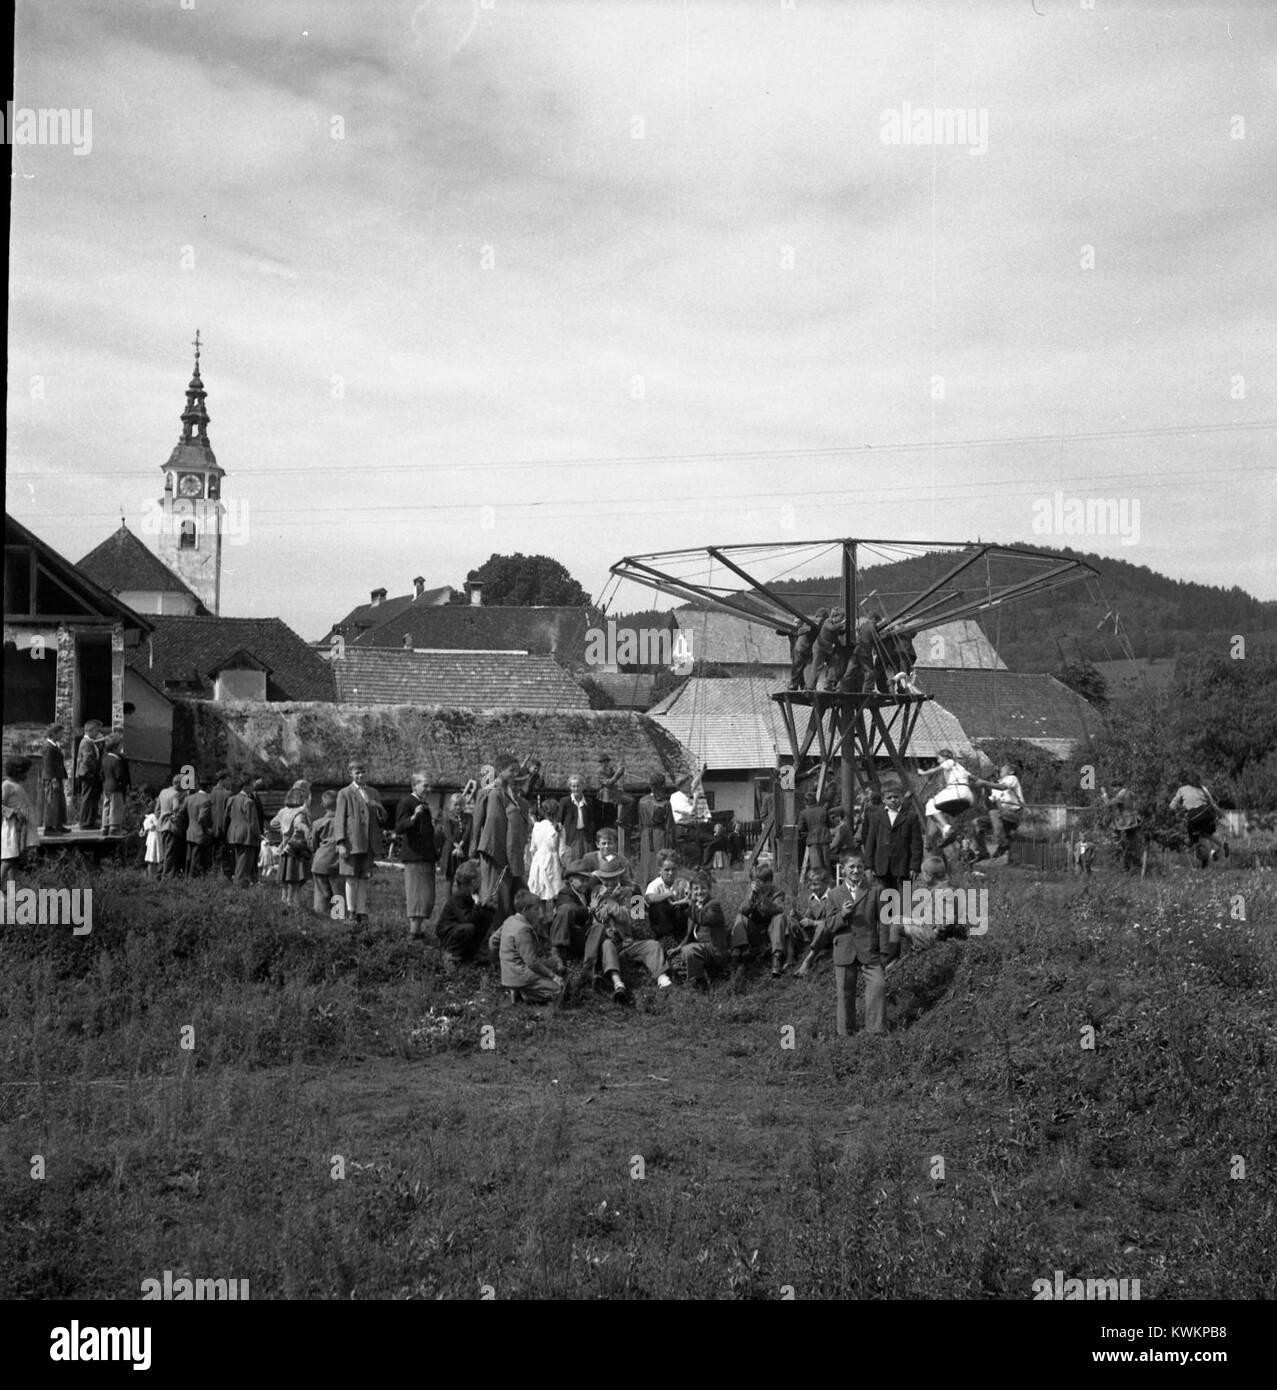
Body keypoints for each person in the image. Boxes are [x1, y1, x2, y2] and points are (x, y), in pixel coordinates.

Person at [797, 853, 892, 1037]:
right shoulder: (834, 894)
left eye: (859, 867)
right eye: (852, 867)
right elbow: (829, 924)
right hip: (844, 949)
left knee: (878, 986)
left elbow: (884, 923)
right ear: (843, 870)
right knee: (845, 993)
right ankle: (846, 1033)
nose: (856, 871)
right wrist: (842, 915)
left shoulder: (875, 890)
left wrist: (884, 950)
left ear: (864, 868)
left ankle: (875, 1030)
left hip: (868, 948)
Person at [583, 855, 673, 1002]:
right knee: (607, 945)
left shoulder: (632, 891)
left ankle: (662, 977)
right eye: (605, 879)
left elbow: (635, 918)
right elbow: (598, 918)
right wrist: (595, 909)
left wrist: (612, 904)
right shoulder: (596, 891)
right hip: (607, 942)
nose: (609, 883)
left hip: (627, 940)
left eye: (613, 878)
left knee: (653, 945)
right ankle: (618, 984)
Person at [475, 756, 529, 920]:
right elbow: (494, 826)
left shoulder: (510, 794)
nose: (515, 774)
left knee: (511, 898)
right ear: (500, 771)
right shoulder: (494, 794)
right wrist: (502, 859)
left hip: (510, 855)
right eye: (511, 770)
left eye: (516, 771)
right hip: (497, 855)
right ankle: (493, 935)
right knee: (496, 897)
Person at [488, 889, 564, 1004]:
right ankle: (525, 994)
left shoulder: (510, 920)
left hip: (508, 974)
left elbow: (492, 942)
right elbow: (532, 962)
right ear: (525, 910)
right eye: (536, 909)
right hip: (522, 976)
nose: (540, 913)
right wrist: (553, 976)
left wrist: (502, 963)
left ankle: (516, 989)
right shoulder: (523, 929)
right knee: (559, 990)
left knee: (549, 967)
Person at [334, 762, 384, 924]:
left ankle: (362, 911)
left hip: (368, 842)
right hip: (351, 842)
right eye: (357, 773)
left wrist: (377, 807)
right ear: (351, 774)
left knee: (364, 877)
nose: (360, 775)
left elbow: (383, 819)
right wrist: (340, 842)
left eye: (363, 772)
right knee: (351, 877)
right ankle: (350, 911)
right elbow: (339, 819)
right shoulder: (345, 793)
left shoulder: (374, 793)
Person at [861, 782, 924, 899]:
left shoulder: (910, 816)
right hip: (881, 865)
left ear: (901, 797)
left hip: (902, 865)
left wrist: (914, 866)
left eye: (896, 797)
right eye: (889, 798)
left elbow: (916, 843)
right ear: (883, 799)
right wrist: (868, 865)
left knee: (903, 899)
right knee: (884, 899)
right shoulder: (877, 816)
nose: (893, 800)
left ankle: (903, 916)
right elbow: (870, 841)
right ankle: (886, 917)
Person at [729, 861, 793, 975]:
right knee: (740, 917)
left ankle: (777, 957)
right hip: (756, 929)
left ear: (768, 882)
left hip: (771, 930)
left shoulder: (778, 893)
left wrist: (763, 899)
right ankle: (738, 953)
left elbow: (778, 909)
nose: (756, 884)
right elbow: (742, 909)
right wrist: (751, 897)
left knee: (779, 918)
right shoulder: (752, 893)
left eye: (759, 881)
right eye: (754, 881)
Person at [396, 771, 438, 939]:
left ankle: (419, 930)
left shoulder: (424, 805)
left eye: (430, 785)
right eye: (425, 785)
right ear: (414, 786)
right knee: (417, 894)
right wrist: (414, 817)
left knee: (427, 895)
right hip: (414, 856)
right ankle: (413, 932)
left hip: (426, 856)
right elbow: (399, 827)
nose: (429, 788)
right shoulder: (407, 802)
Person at [435, 860, 493, 972]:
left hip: (457, 928)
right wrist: (477, 904)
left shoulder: (471, 894)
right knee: (468, 928)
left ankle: (471, 952)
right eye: (480, 877)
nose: (482, 880)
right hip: (448, 931)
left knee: (487, 915)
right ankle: (451, 955)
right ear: (473, 881)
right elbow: (468, 918)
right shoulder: (459, 896)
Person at [675, 872, 729, 990]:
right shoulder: (696, 905)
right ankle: (701, 976)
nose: (699, 891)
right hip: (702, 947)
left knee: (689, 951)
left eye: (703, 888)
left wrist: (690, 904)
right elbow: (689, 933)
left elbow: (703, 919)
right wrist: (678, 947)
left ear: (709, 889)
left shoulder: (714, 905)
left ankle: (700, 983)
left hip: (714, 948)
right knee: (676, 960)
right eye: (696, 889)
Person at [919, 749, 975, 849]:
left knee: (930, 804)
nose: (937, 760)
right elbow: (974, 778)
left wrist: (923, 772)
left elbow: (935, 770)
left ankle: (946, 827)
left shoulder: (949, 761)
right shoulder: (960, 767)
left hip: (957, 791)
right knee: (931, 812)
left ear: (944, 757)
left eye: (939, 758)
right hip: (968, 795)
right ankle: (946, 833)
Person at [1170, 776, 1227, 866]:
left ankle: (1206, 857)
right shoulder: (1202, 789)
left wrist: (1172, 812)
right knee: (1205, 834)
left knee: (1193, 841)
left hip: (1194, 816)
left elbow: (1172, 806)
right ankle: (1218, 846)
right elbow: (1212, 803)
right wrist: (1219, 814)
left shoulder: (1182, 789)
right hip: (1207, 814)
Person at [273, 779, 313, 908]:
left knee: (285, 876)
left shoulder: (283, 811)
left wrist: (285, 832)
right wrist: (306, 832)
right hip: (297, 848)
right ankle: (293, 901)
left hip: (286, 848)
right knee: (295, 877)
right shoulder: (300, 811)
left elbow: (273, 823)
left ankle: (284, 899)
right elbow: (299, 824)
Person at [973, 764, 1025, 857]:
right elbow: (989, 806)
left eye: (1003, 768)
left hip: (1014, 813)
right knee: (976, 822)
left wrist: (985, 783)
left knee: (994, 812)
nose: (1000, 769)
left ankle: (1003, 844)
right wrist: (984, 790)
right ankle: (982, 851)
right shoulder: (996, 787)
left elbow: (1003, 787)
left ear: (1011, 771)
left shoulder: (1012, 778)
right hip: (1001, 815)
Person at [549, 862, 594, 969]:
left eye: (587, 880)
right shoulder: (564, 893)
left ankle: (589, 960)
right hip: (569, 933)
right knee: (566, 909)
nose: (585, 884)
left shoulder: (587, 892)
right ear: (571, 881)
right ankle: (557, 950)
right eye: (582, 880)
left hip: (583, 934)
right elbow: (574, 909)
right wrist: (590, 909)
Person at [643, 851, 691, 945]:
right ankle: (666, 938)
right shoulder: (655, 884)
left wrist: (682, 900)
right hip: (662, 920)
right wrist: (669, 894)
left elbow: (691, 898)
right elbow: (649, 898)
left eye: (674, 869)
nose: (670, 873)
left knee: (685, 906)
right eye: (667, 870)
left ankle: (684, 936)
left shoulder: (682, 883)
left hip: (678, 919)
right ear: (660, 870)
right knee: (659, 905)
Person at [526, 798, 565, 908]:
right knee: (555, 891)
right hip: (552, 861)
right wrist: (563, 865)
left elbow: (532, 848)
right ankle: (554, 915)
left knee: (540, 890)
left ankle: (541, 915)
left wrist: (536, 859)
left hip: (538, 860)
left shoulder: (537, 827)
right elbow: (562, 851)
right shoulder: (559, 829)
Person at [225, 774, 263, 887]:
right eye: (252, 785)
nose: (253, 787)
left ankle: (238, 883)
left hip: (233, 834)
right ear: (246, 786)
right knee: (244, 863)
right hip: (246, 836)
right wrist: (259, 836)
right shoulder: (249, 802)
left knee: (237, 861)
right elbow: (253, 822)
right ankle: (239, 885)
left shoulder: (231, 799)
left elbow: (226, 818)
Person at [1, 758, 34, 885]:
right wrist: (14, 813)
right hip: (11, 828)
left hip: (19, 828)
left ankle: (11, 889)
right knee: (8, 859)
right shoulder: (6, 786)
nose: (26, 775)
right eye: (25, 772)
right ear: (17, 772)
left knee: (15, 859)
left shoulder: (17, 786)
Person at [670, 772, 713, 868]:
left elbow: (694, 784)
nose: (690, 786)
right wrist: (696, 799)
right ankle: (705, 867)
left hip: (688, 827)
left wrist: (702, 772)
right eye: (688, 784)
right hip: (683, 829)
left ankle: (700, 865)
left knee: (703, 839)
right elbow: (691, 812)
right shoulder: (677, 798)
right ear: (682, 785)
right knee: (709, 840)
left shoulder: (684, 795)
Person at [636, 778, 673, 886]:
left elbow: (640, 822)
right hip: (659, 834)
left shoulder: (642, 801)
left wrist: (642, 834)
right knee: (659, 859)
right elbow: (669, 827)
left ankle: (645, 885)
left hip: (645, 834)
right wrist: (671, 844)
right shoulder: (665, 804)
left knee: (646, 861)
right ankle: (659, 885)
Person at [310, 790, 340, 914]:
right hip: (338, 862)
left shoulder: (317, 823)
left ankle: (321, 916)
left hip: (320, 862)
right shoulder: (345, 823)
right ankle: (339, 917)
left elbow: (313, 845)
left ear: (323, 805)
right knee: (339, 894)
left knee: (320, 895)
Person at [1100, 784, 1142, 874]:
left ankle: (1125, 862)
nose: (1114, 790)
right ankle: (1135, 860)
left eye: (1114, 787)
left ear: (1118, 787)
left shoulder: (1121, 795)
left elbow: (1108, 804)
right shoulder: (1130, 793)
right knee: (1133, 842)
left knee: (1118, 837)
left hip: (1125, 822)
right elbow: (1136, 802)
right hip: (1134, 820)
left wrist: (1104, 794)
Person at [74, 719, 106, 829]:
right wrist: (96, 770)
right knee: (88, 798)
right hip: (88, 774)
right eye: (97, 731)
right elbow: (88, 759)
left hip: (89, 774)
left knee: (91, 798)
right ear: (90, 730)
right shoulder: (87, 742)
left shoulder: (89, 742)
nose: (98, 733)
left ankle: (90, 820)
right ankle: (85, 822)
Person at [558, 773, 596, 865]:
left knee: (587, 861)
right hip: (571, 836)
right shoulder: (565, 802)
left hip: (585, 836)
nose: (576, 789)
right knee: (572, 861)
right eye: (573, 786)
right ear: (570, 787)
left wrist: (591, 833)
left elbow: (592, 820)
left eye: (578, 786)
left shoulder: (589, 802)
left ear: (583, 787)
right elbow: (560, 820)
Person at [785, 609, 827, 691]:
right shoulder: (813, 623)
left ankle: (804, 687)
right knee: (798, 668)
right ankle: (796, 686)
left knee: (804, 669)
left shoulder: (812, 624)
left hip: (806, 650)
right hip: (801, 649)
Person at [155, 774, 187, 880]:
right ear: (178, 784)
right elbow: (176, 809)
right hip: (170, 825)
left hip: (161, 825)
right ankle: (167, 876)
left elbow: (157, 810)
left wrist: (160, 818)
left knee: (163, 851)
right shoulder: (176, 795)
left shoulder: (163, 792)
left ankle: (159, 873)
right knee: (170, 852)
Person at [184, 776, 216, 877]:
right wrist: (207, 830)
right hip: (201, 833)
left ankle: (187, 877)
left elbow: (182, 813)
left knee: (189, 858)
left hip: (190, 831)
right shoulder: (206, 800)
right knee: (198, 859)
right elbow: (202, 817)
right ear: (208, 787)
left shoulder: (189, 798)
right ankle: (195, 880)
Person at [40, 724, 69, 834]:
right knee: (51, 802)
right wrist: (53, 780)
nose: (62, 735)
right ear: (54, 734)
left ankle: (58, 824)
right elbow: (48, 765)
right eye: (60, 733)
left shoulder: (54, 746)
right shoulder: (48, 747)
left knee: (59, 802)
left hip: (57, 777)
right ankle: (49, 827)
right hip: (52, 779)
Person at [100, 733, 131, 835]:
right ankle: (114, 827)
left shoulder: (105, 759)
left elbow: (102, 774)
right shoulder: (116, 761)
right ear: (115, 747)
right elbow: (120, 775)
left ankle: (105, 826)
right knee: (115, 806)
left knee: (106, 806)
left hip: (106, 786)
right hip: (115, 787)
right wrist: (123, 784)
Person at [798, 791, 831, 876]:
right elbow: (829, 824)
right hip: (825, 839)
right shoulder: (823, 810)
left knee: (816, 867)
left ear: (805, 802)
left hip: (813, 840)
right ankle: (829, 884)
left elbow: (801, 828)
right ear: (816, 801)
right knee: (826, 865)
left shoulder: (804, 813)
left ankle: (818, 883)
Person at [210, 771, 234, 880]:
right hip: (224, 828)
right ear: (222, 780)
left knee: (214, 853)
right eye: (228, 779)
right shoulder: (227, 794)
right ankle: (225, 876)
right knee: (225, 854)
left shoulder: (211, 792)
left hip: (212, 828)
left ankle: (214, 874)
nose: (230, 782)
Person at [140, 808, 162, 879]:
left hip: (156, 838)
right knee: (151, 858)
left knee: (154, 858)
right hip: (153, 838)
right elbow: (148, 826)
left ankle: (153, 876)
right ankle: (150, 876)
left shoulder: (154, 817)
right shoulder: (151, 816)